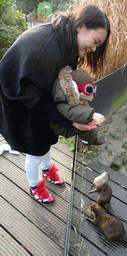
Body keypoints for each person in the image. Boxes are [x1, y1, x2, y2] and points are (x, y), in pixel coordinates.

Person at [0, 5, 110, 205]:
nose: (94, 49)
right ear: (81, 26)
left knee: (46, 137)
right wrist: (69, 122)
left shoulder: (67, 41)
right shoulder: (47, 48)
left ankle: (47, 168)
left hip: (37, 96)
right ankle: (35, 185)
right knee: (35, 148)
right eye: (96, 41)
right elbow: (31, 97)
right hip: (17, 99)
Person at [50, 65, 106, 145]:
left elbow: (79, 106)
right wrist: (91, 114)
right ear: (74, 92)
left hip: (65, 119)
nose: (82, 102)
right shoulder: (60, 98)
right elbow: (69, 111)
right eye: (81, 99)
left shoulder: (68, 94)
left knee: (85, 110)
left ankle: (92, 135)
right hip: (58, 125)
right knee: (85, 127)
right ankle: (88, 140)